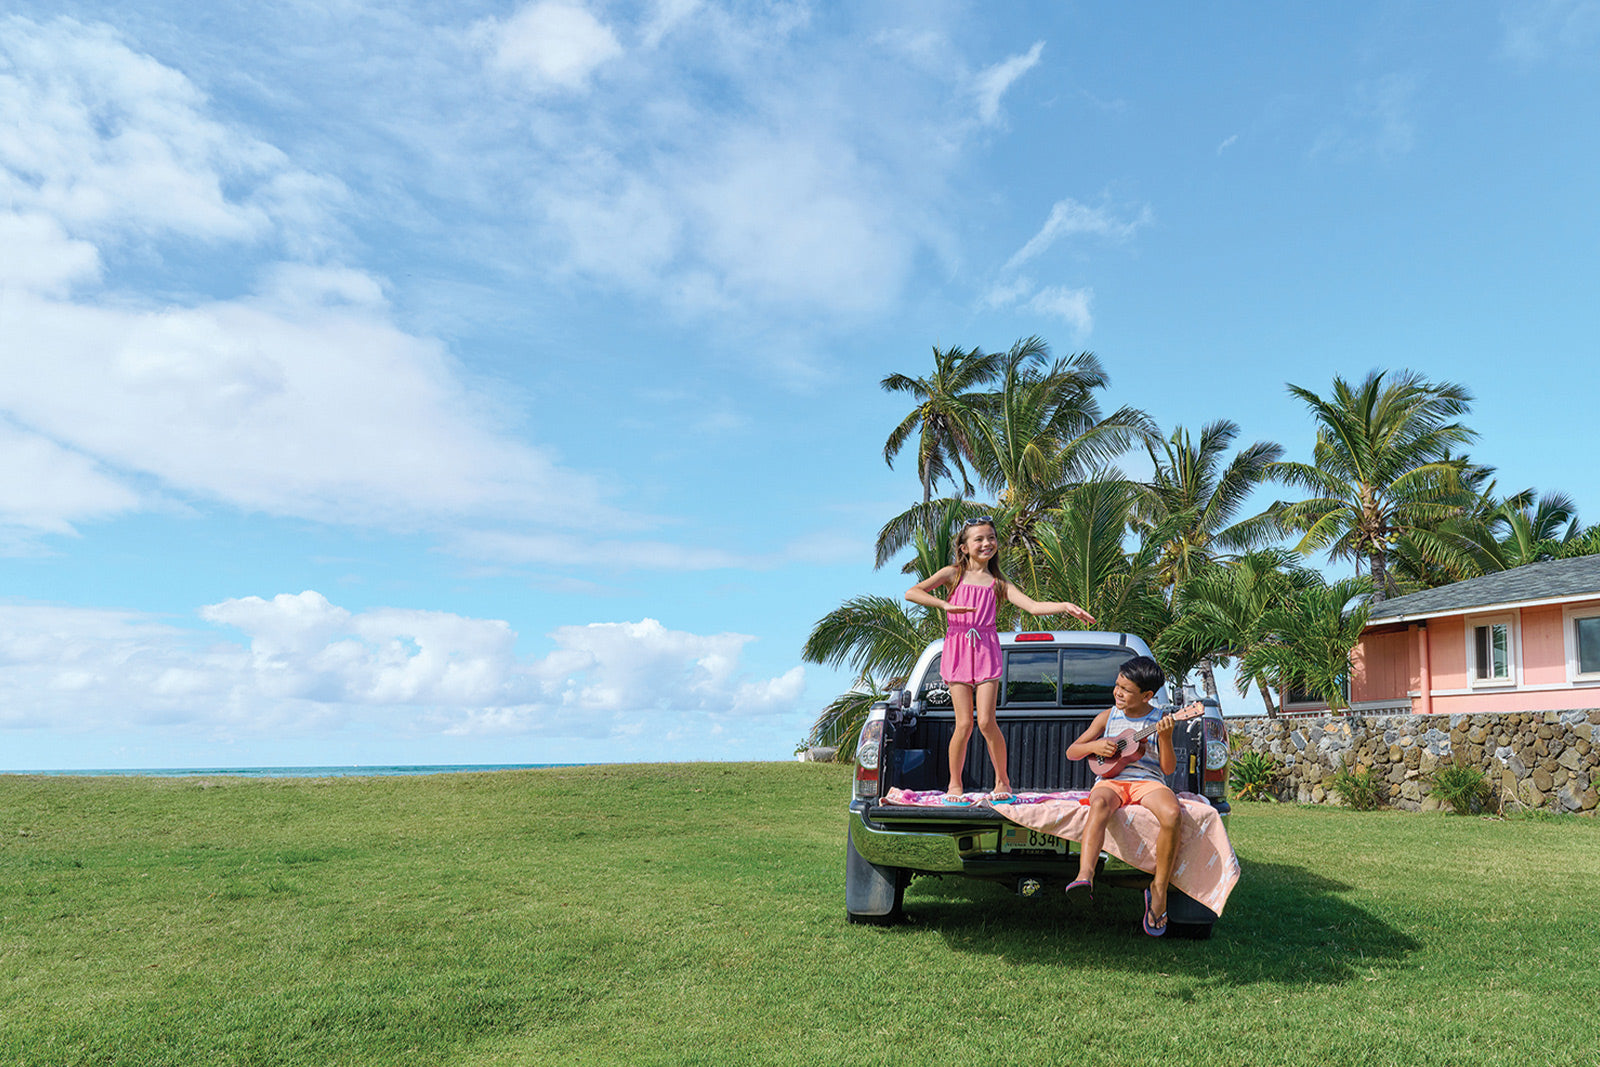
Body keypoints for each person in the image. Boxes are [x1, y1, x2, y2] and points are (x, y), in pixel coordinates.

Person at [905, 515, 1095, 803]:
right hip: (957, 646)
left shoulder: (998, 583)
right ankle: (955, 784)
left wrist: (1065, 606)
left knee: (986, 722)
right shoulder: (952, 574)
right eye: (978, 539)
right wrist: (945, 604)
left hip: (985, 648)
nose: (986, 543)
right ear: (964, 547)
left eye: (990, 538)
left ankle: (1002, 781)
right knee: (964, 724)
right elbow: (912, 592)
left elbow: (1032, 606)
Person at [1064, 654, 1192, 937]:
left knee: (1172, 814)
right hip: (1112, 780)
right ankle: (1085, 875)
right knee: (1098, 804)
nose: (1117, 692)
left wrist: (1166, 738)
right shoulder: (1108, 716)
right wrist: (1096, 744)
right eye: (1117, 685)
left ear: (1147, 695)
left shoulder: (1161, 719)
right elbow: (1073, 751)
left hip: (1147, 781)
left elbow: (1168, 768)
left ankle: (1158, 889)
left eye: (1126, 690)